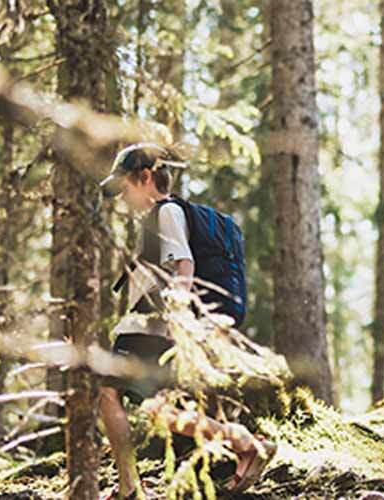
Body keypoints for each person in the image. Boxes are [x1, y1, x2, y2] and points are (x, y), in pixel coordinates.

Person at [96, 144, 274, 498]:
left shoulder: (166, 213)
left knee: (107, 392)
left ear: (145, 178)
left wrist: (178, 318)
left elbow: (185, 266)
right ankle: (243, 442)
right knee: (157, 409)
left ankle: (130, 488)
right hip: (150, 326)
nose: (122, 199)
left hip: (151, 326)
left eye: (125, 188)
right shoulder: (162, 216)